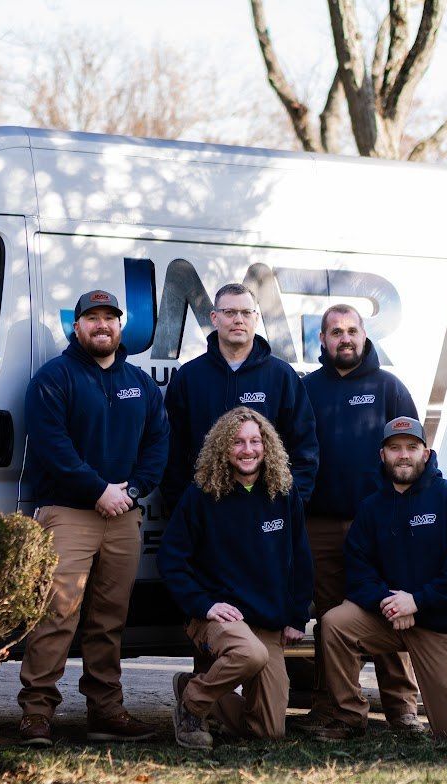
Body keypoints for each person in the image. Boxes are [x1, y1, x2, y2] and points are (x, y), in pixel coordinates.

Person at [16, 289, 169, 746]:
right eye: (92, 318)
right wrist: (97, 489)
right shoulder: (54, 378)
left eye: (110, 318)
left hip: (123, 513)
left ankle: (106, 712)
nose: (102, 326)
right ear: (76, 326)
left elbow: (158, 444)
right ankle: (37, 713)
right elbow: (52, 446)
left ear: (120, 327)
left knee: (109, 619)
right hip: (68, 513)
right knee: (57, 613)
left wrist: (134, 490)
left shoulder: (140, 383)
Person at [320, 417, 447, 739]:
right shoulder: (372, 508)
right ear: (382, 455)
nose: (404, 455)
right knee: (335, 623)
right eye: (395, 448)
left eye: (412, 447)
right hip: (390, 617)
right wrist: (388, 602)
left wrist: (417, 602)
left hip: (444, 623)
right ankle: (349, 717)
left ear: (426, 453)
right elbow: (358, 569)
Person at [300, 305, 422, 740]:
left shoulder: (388, 387)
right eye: (336, 332)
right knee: (332, 620)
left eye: (352, 330)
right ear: (322, 340)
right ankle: (333, 705)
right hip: (320, 524)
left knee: (389, 609)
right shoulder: (306, 389)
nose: (344, 338)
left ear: (365, 334)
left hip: (380, 525)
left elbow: (416, 454)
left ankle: (402, 707)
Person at [158, 407, 313, 749]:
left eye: (255, 441)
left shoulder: (284, 495)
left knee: (268, 732)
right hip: (218, 617)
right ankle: (192, 706)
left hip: (267, 622)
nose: (248, 449)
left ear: (267, 446)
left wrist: (297, 616)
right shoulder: (201, 496)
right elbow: (171, 559)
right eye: (238, 441)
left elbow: (300, 559)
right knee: (250, 654)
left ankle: (189, 686)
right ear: (223, 448)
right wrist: (204, 604)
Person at [161, 282, 318, 510]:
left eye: (246, 313)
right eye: (230, 312)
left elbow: (304, 445)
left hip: (267, 508)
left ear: (255, 318)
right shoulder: (189, 377)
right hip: (205, 510)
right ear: (214, 318)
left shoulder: (281, 376)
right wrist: (182, 505)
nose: (238, 320)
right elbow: (172, 450)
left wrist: (292, 502)